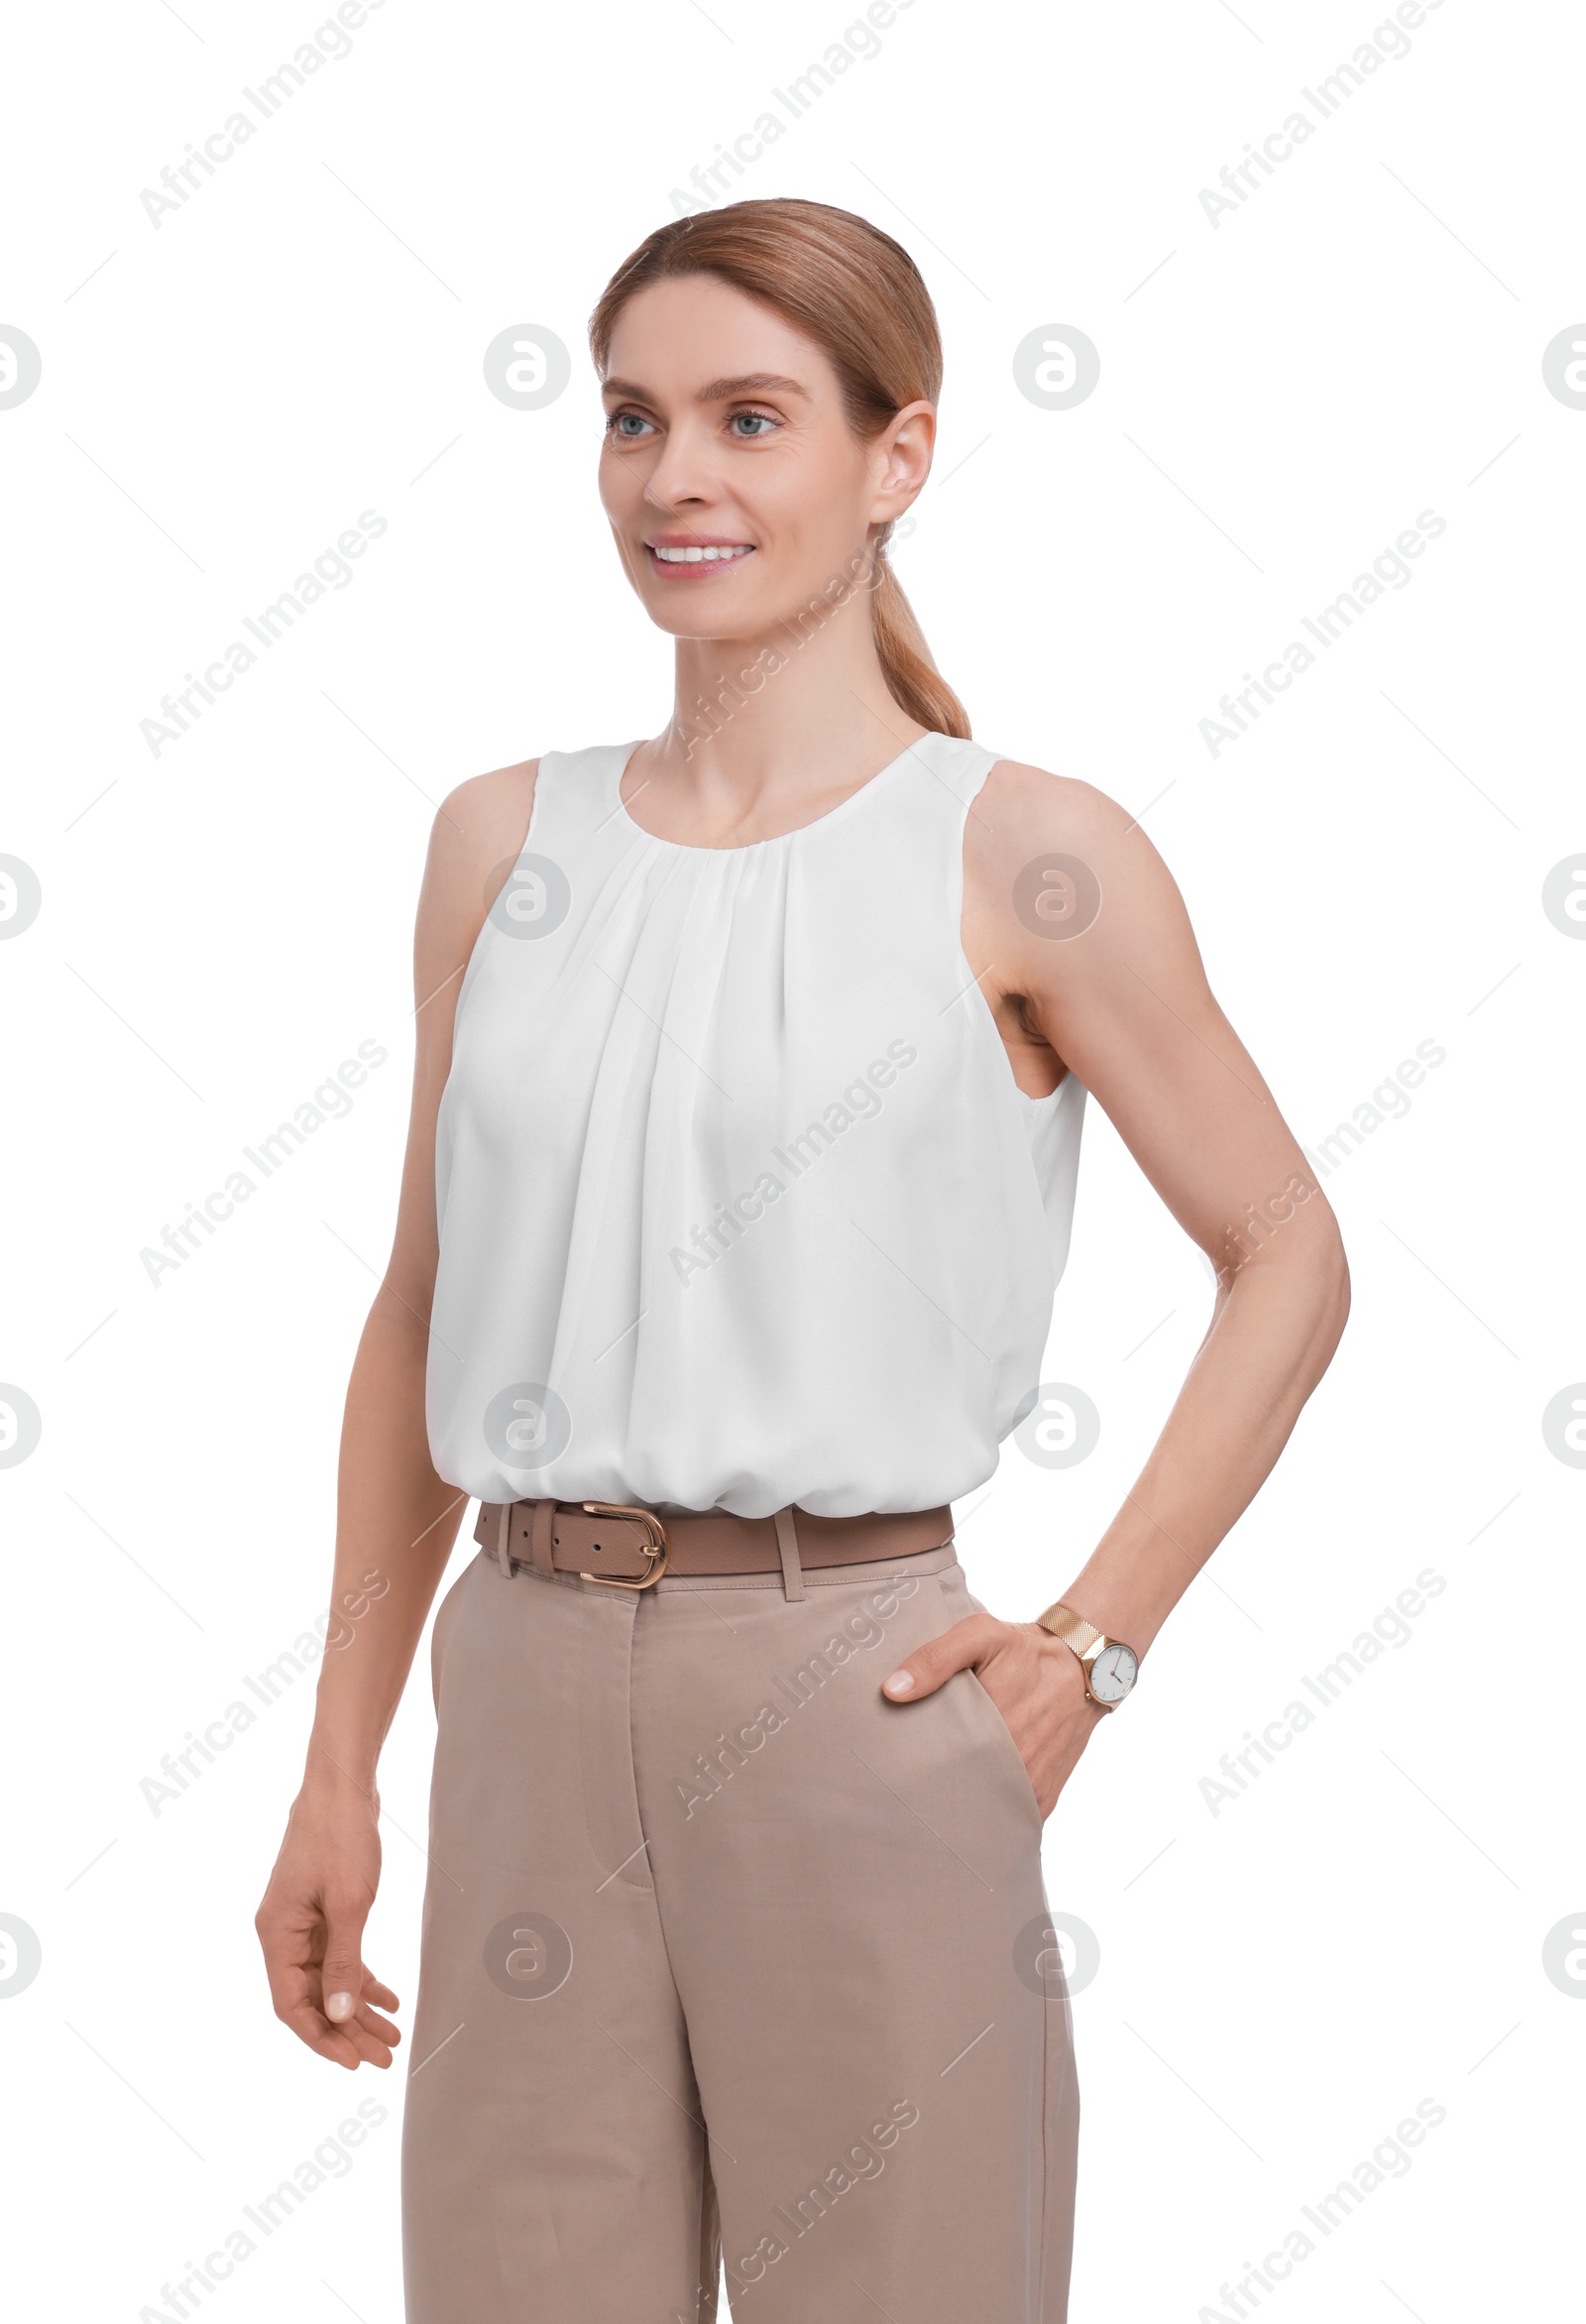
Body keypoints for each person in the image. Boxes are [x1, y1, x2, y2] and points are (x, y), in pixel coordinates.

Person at [255, 196, 1349, 2324]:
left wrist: (1091, 1643)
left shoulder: (1024, 850)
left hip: (849, 1676)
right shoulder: (502, 842)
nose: (677, 478)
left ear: (897, 455)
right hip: (524, 1675)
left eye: (750, 419)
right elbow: (418, 1306)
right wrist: (334, 1764)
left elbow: (1285, 1247)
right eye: (635, 419)